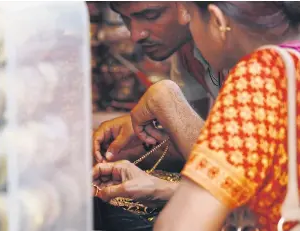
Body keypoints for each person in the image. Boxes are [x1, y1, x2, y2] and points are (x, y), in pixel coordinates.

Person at [93, 2, 300, 230]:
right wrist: (162, 188)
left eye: (189, 15)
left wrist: (166, 100)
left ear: (217, 21)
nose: (185, 23)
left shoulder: (263, 75)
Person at [93, 2, 225, 171]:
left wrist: (164, 98)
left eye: (150, 16)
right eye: (124, 18)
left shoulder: (247, 51)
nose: (135, 35)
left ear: (185, 6)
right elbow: (200, 142)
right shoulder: (186, 49)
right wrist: (131, 150)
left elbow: (233, 177)